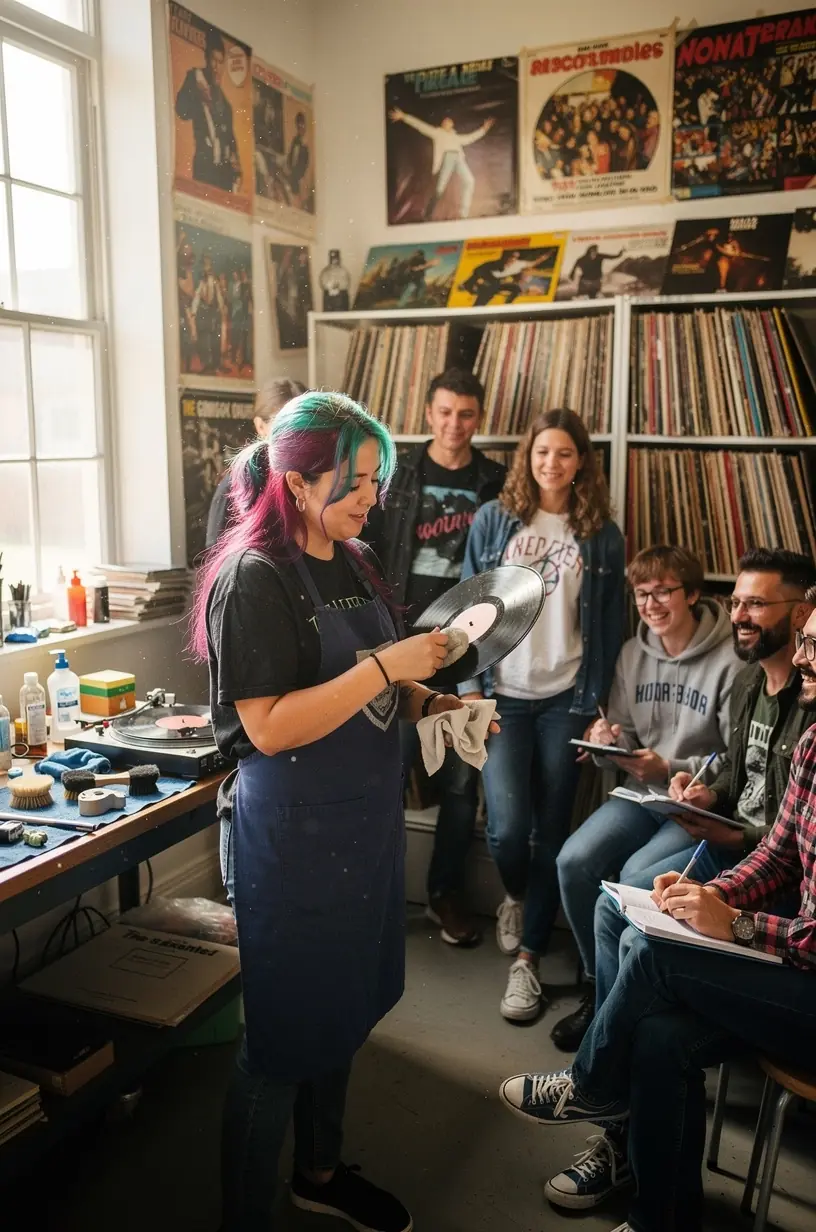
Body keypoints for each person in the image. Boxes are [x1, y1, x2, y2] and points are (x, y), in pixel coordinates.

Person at [191, 391, 496, 1232]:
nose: (372, 497)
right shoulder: (253, 578)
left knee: (342, 1015)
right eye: (355, 480)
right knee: (282, 1043)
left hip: (360, 828)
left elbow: (383, 684)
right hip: (289, 842)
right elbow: (268, 725)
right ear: (296, 480)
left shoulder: (355, 560)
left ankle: (319, 1172)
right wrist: (385, 669)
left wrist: (436, 704)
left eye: (377, 479)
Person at [499, 590, 816, 1232]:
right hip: (791, 971)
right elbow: (780, 858)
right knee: (656, 1033)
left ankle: (590, 1084)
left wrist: (740, 923)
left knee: (657, 953)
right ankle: (661, 1218)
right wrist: (717, 895)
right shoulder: (815, 741)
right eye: (807, 640)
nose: (804, 656)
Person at [459, 408, 625, 1022]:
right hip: (504, 691)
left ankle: (528, 958)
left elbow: (608, 624)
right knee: (505, 827)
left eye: (563, 453)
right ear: (527, 457)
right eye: (540, 452)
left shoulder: (601, 533)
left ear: (581, 461)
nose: (550, 463)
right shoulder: (495, 520)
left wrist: (597, 706)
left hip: (566, 698)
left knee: (553, 830)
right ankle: (516, 895)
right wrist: (473, 687)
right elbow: (470, 606)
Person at [551, 546, 739, 1053]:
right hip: (640, 792)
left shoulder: (731, 660)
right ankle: (597, 987)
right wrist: (609, 740)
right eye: (642, 594)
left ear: (693, 594)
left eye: (663, 592)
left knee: (634, 878)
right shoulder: (633, 654)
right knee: (573, 860)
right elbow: (627, 736)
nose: (652, 604)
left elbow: (734, 758)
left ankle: (624, 1013)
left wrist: (672, 769)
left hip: (696, 802)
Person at [367, 369, 505, 946]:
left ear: (480, 418)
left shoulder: (497, 482)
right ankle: (373, 898)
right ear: (428, 413)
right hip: (400, 643)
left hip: (466, 648)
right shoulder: (396, 474)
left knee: (458, 783)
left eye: (466, 414)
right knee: (383, 772)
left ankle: (443, 894)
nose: (455, 424)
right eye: (445, 412)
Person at [206, 378, 305, 548]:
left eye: (304, 422)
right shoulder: (235, 486)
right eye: (284, 423)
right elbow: (215, 554)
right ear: (260, 426)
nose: (296, 432)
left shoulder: (317, 478)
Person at [388, 107, 495, 219]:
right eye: (444, 121)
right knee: (440, 189)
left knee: (470, 181)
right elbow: (420, 126)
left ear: (452, 124)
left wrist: (483, 129)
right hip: (447, 158)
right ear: (442, 125)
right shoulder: (437, 133)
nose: (447, 122)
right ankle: (428, 213)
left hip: (458, 158)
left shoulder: (456, 137)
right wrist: (404, 116)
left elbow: (470, 138)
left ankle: (464, 213)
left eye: (449, 121)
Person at [175, 29, 240, 193]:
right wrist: (194, 91)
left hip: (224, 176)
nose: (217, 67)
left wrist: (235, 164)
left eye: (220, 62)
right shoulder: (195, 79)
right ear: (206, 58)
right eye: (213, 60)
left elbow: (231, 140)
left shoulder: (226, 104)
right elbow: (182, 111)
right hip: (204, 171)